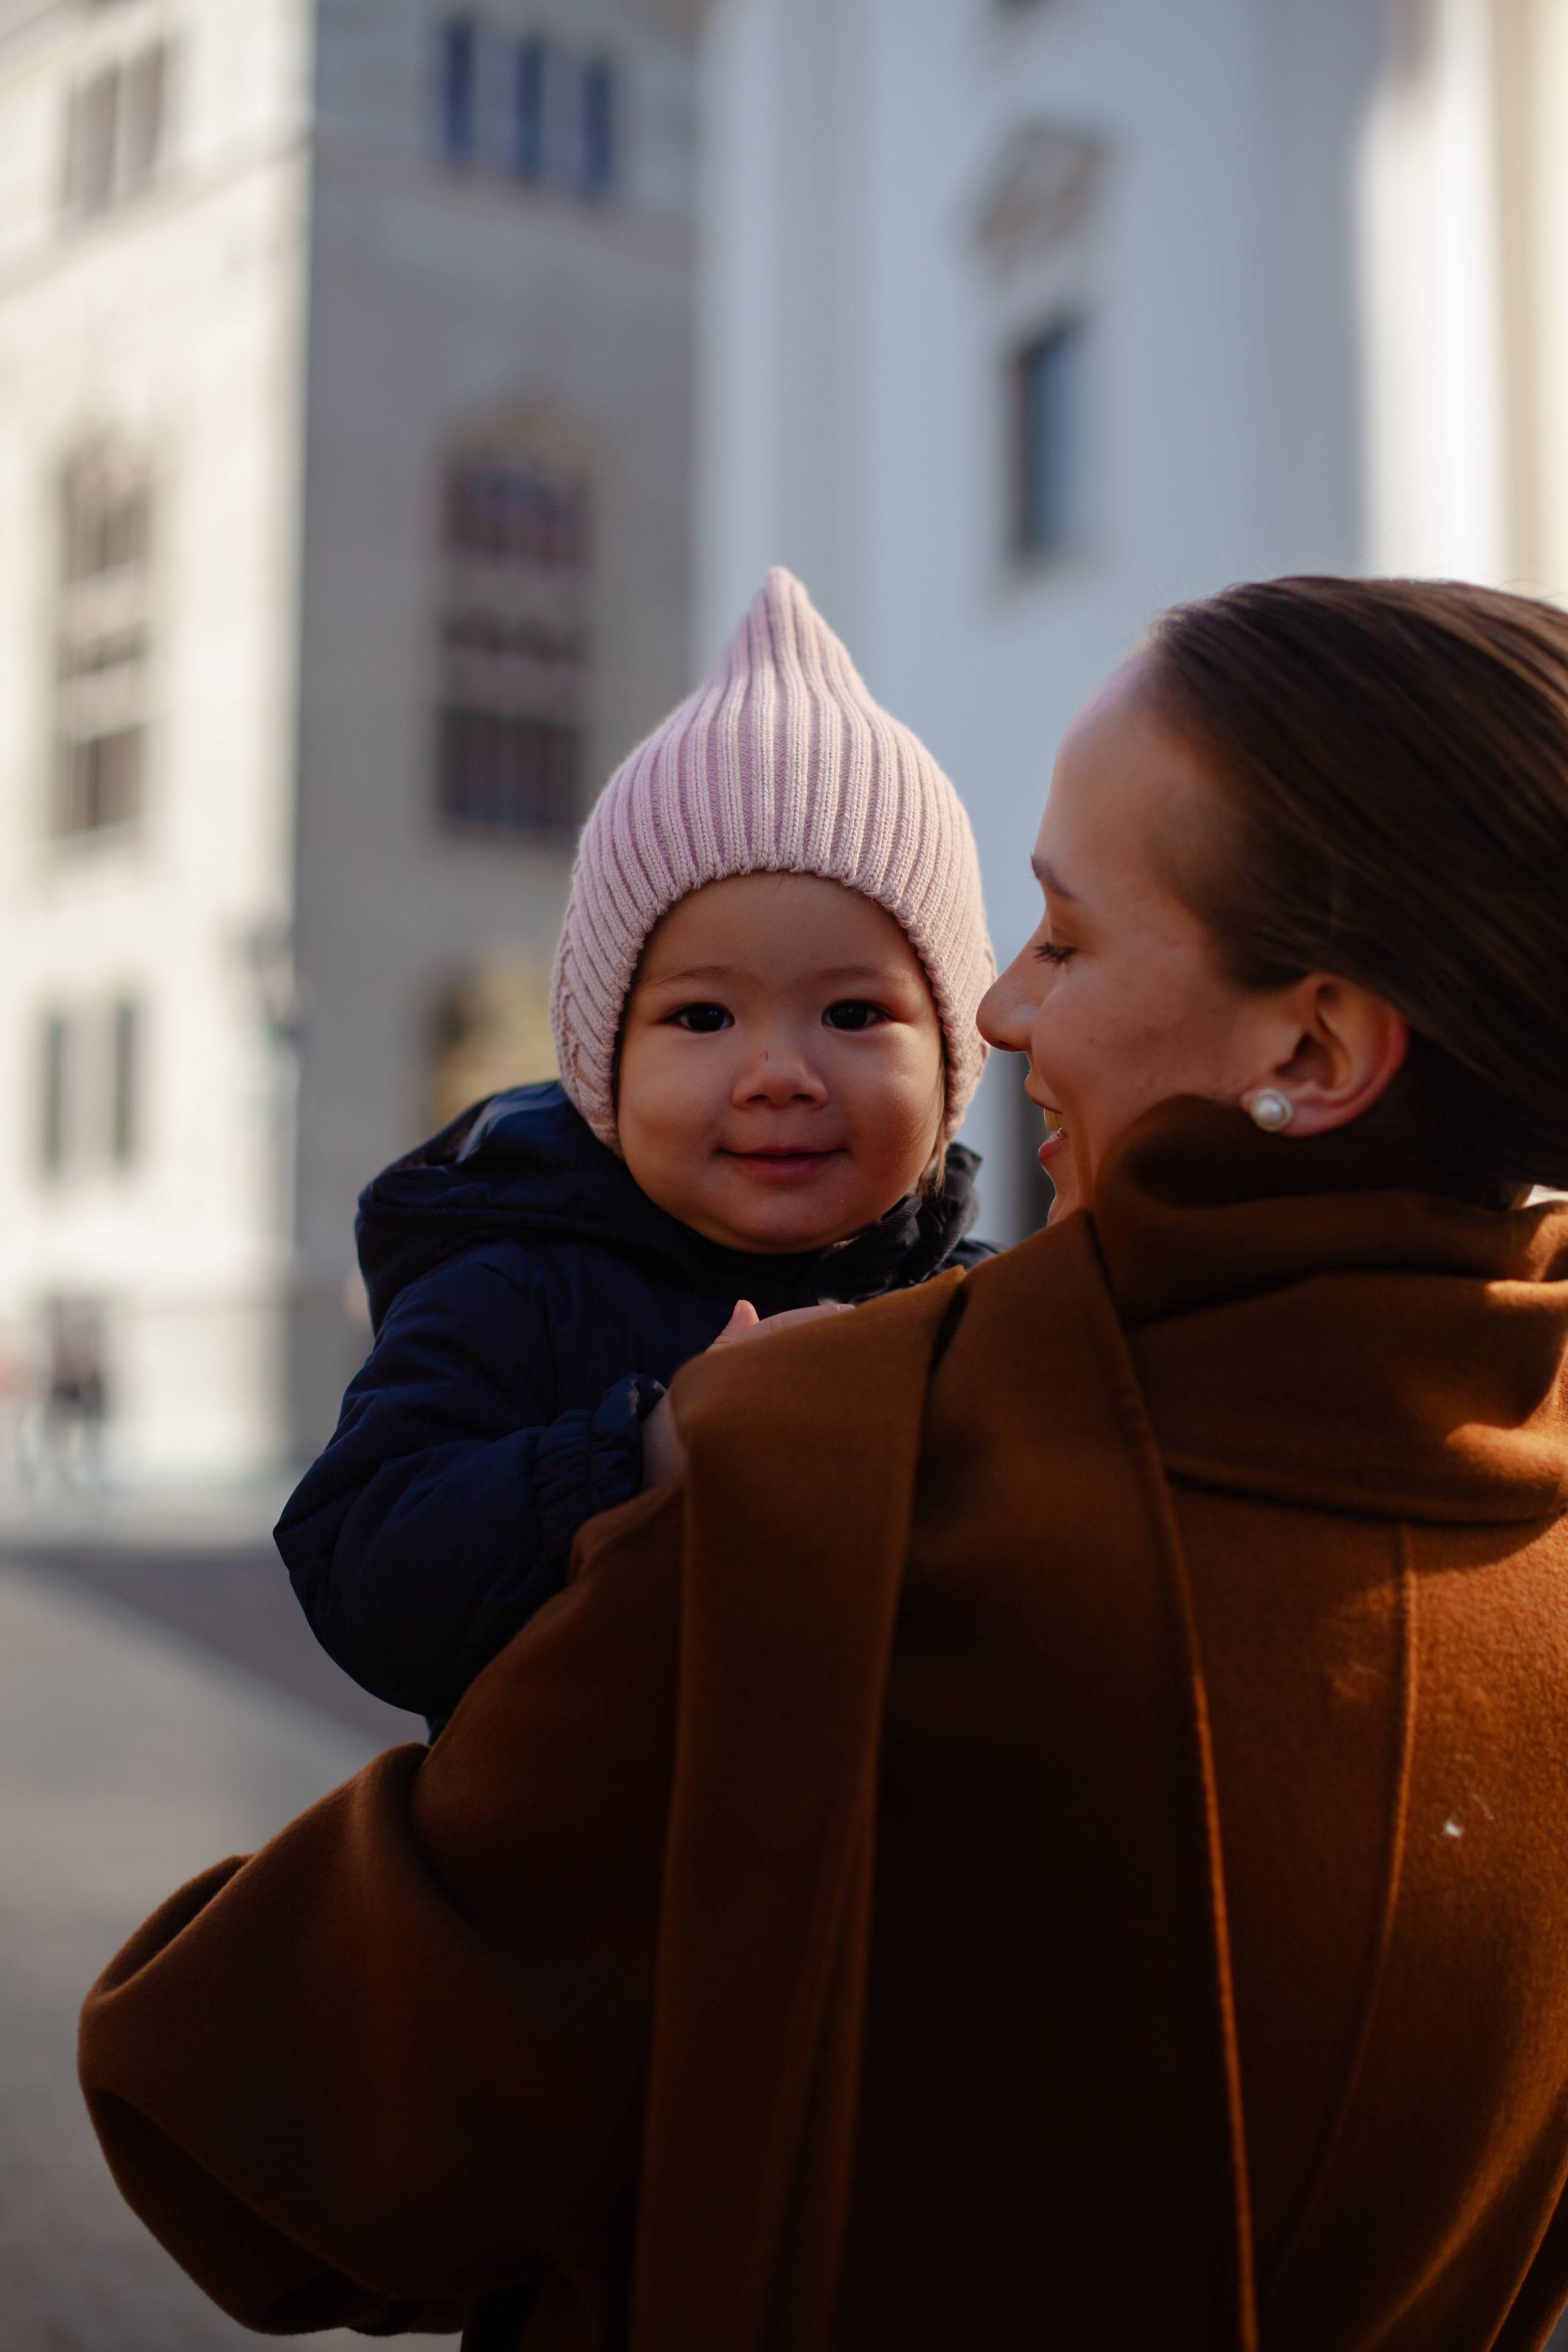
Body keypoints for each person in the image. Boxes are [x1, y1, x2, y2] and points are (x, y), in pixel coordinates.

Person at [80, 576, 1568, 2351]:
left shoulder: (837, 1472)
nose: (1007, 1011)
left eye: (1069, 941)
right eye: (697, 1019)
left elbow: (254, 2124)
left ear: (1313, 1049)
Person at [276, 567, 996, 1727]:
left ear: (956, 1051)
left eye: (854, 1015)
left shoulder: (983, 1310)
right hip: (594, 1889)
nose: (778, 1074)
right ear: (603, 1058)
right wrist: (653, 1447)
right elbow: (362, 1567)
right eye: (703, 1019)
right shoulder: (519, 1286)